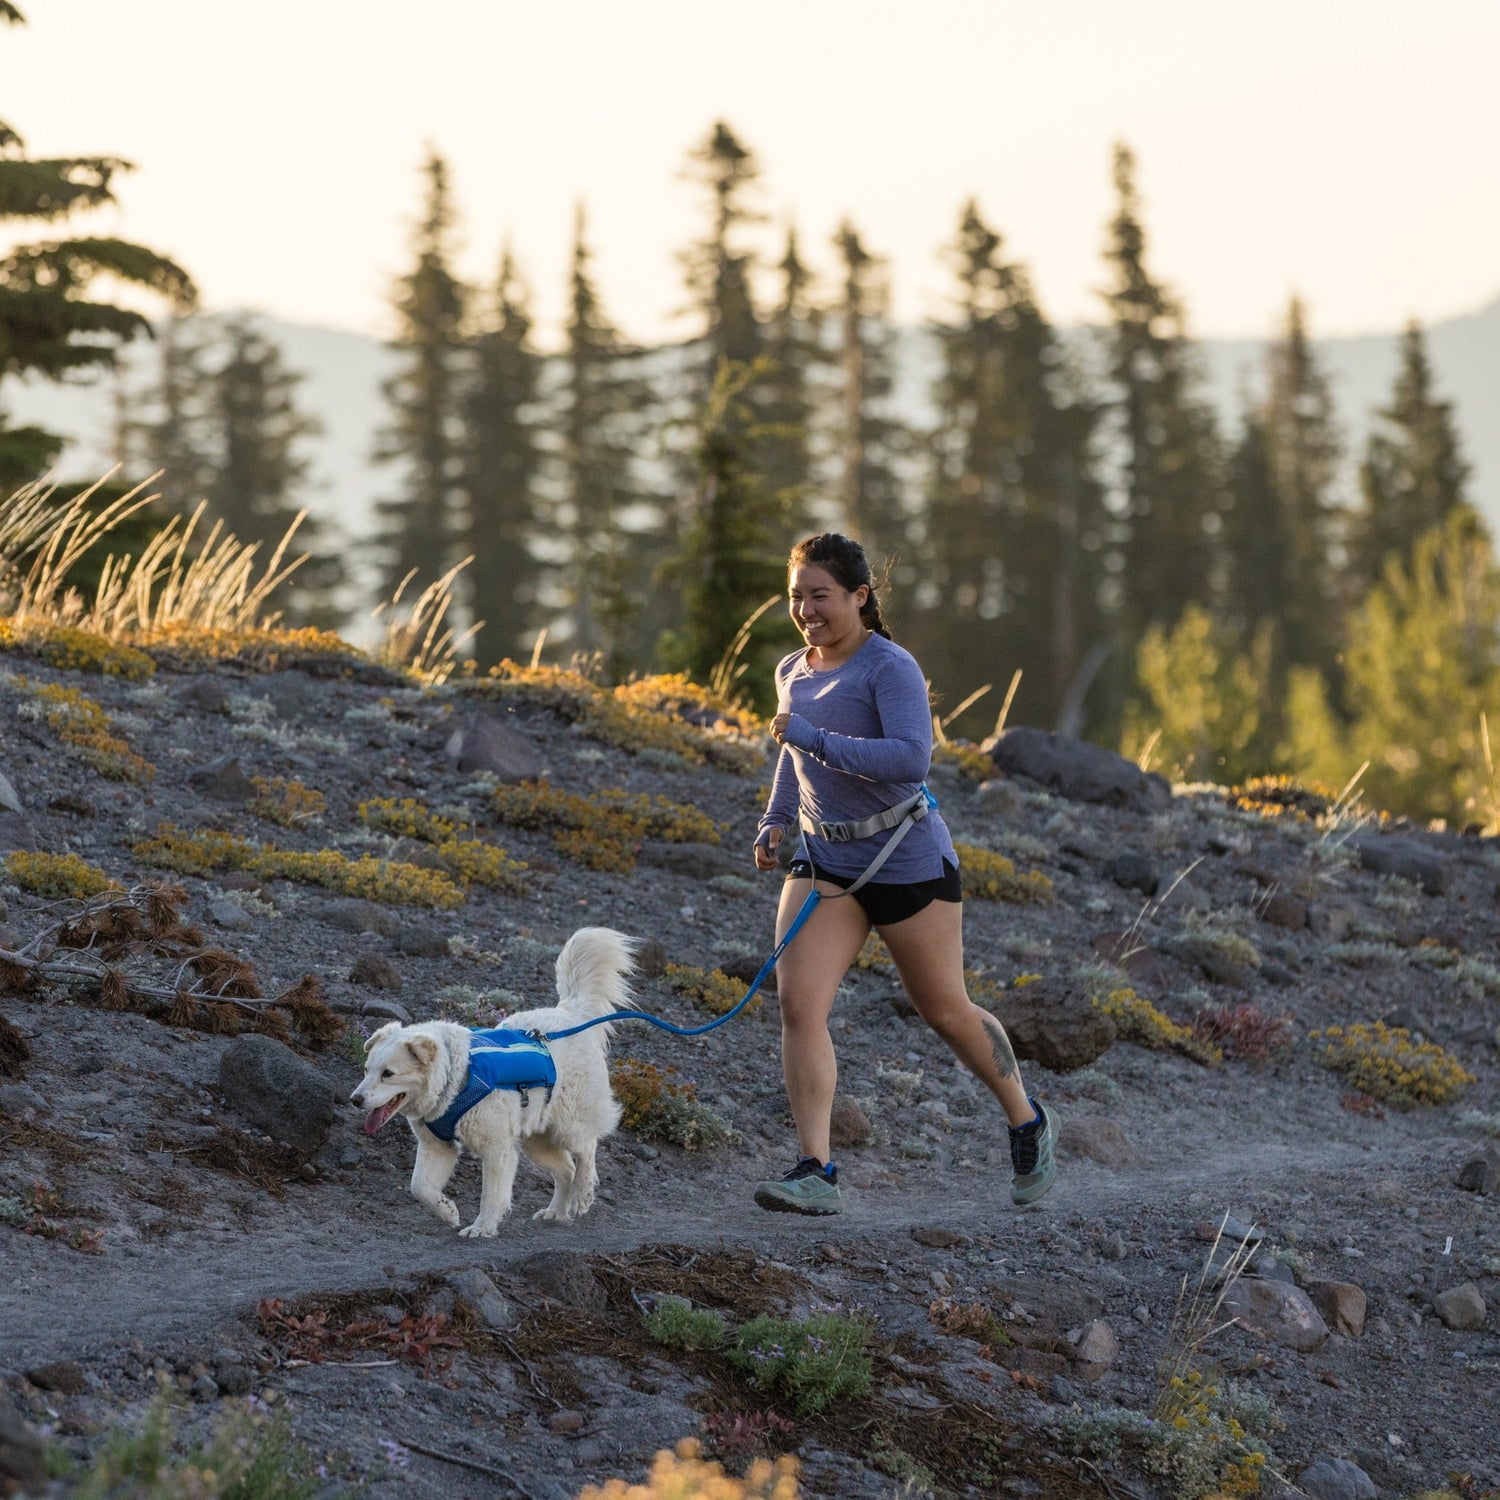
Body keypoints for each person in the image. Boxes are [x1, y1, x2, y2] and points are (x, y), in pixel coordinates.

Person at [751, 532, 1057, 1215]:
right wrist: (775, 820)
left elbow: (910, 760)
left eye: (820, 596)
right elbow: (791, 757)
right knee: (799, 1005)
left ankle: (1027, 1119)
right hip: (824, 860)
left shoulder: (890, 667)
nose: (806, 611)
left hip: (904, 857)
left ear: (859, 596)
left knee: (944, 1009)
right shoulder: (792, 670)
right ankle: (815, 1170)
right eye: (796, 597)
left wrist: (815, 739)